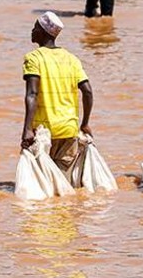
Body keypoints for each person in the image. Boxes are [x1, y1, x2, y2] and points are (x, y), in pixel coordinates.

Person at [20, 11, 93, 176]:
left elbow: (32, 93)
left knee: (41, 184)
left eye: (35, 27)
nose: (32, 31)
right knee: (62, 182)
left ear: (43, 32)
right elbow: (87, 91)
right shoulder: (71, 59)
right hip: (69, 129)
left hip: (43, 132)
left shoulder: (34, 58)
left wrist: (27, 129)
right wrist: (85, 123)